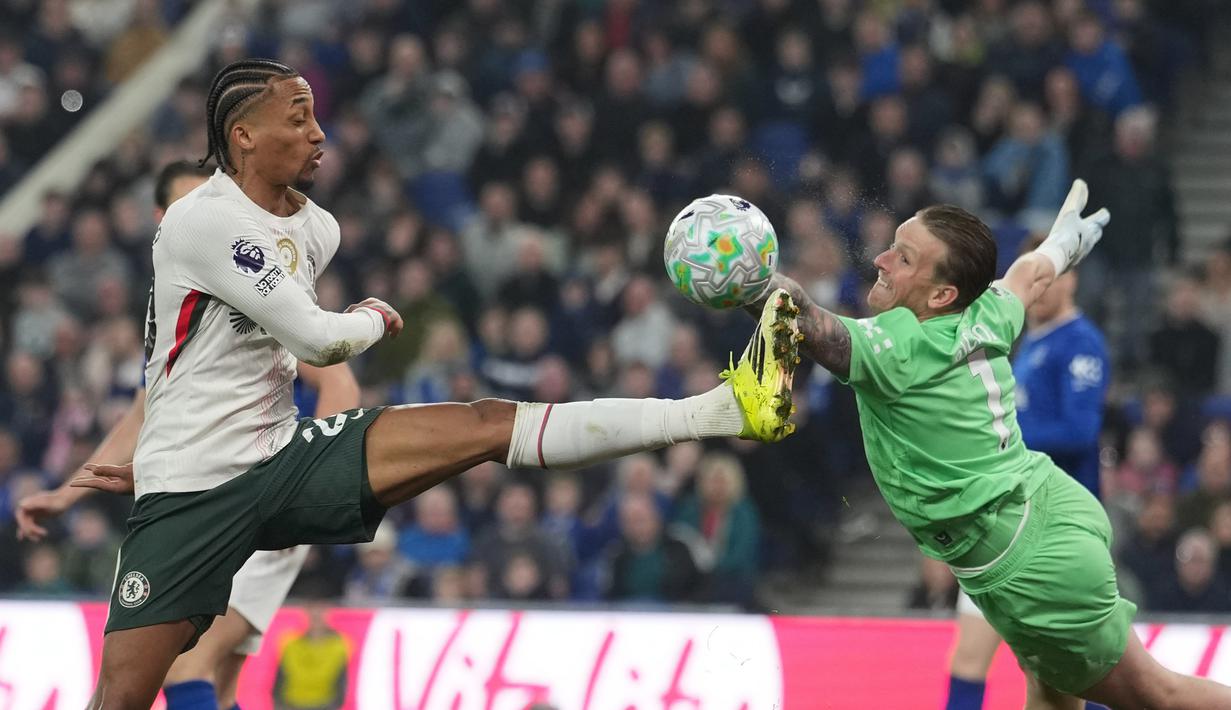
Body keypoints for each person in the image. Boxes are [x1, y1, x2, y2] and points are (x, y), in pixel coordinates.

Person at [71, 58, 801, 710]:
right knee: (124, 696)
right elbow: (321, 337)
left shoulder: (315, 226)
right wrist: (372, 316)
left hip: (282, 459)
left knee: (484, 423)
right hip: (192, 492)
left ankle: (722, 409)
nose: (321, 134)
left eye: (318, 115)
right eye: (299, 120)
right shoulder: (199, 224)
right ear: (243, 138)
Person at [746, 179, 1231, 707]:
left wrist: (747, 277)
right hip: (1045, 516)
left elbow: (807, 322)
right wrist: (1061, 246)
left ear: (940, 295)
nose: (881, 259)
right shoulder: (986, 312)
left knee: (1156, 693)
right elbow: (1029, 274)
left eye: (903, 258)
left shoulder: (898, 348)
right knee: (1051, 695)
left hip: (1028, 561)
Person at [15, 160, 362, 710]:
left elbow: (337, 378)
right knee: (212, 684)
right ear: (162, 219)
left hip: (251, 494)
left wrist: (304, 485)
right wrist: (68, 492)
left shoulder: (250, 286)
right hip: (207, 499)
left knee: (179, 669)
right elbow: (142, 414)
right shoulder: (175, 301)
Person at [944, 233, 1110, 710]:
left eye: (1045, 276)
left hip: (1055, 528)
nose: (1034, 288)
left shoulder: (1081, 343)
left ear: (1070, 279)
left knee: (1071, 674)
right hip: (1004, 524)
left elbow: (1080, 431)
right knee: (969, 660)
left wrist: (1003, 436)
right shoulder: (1029, 343)